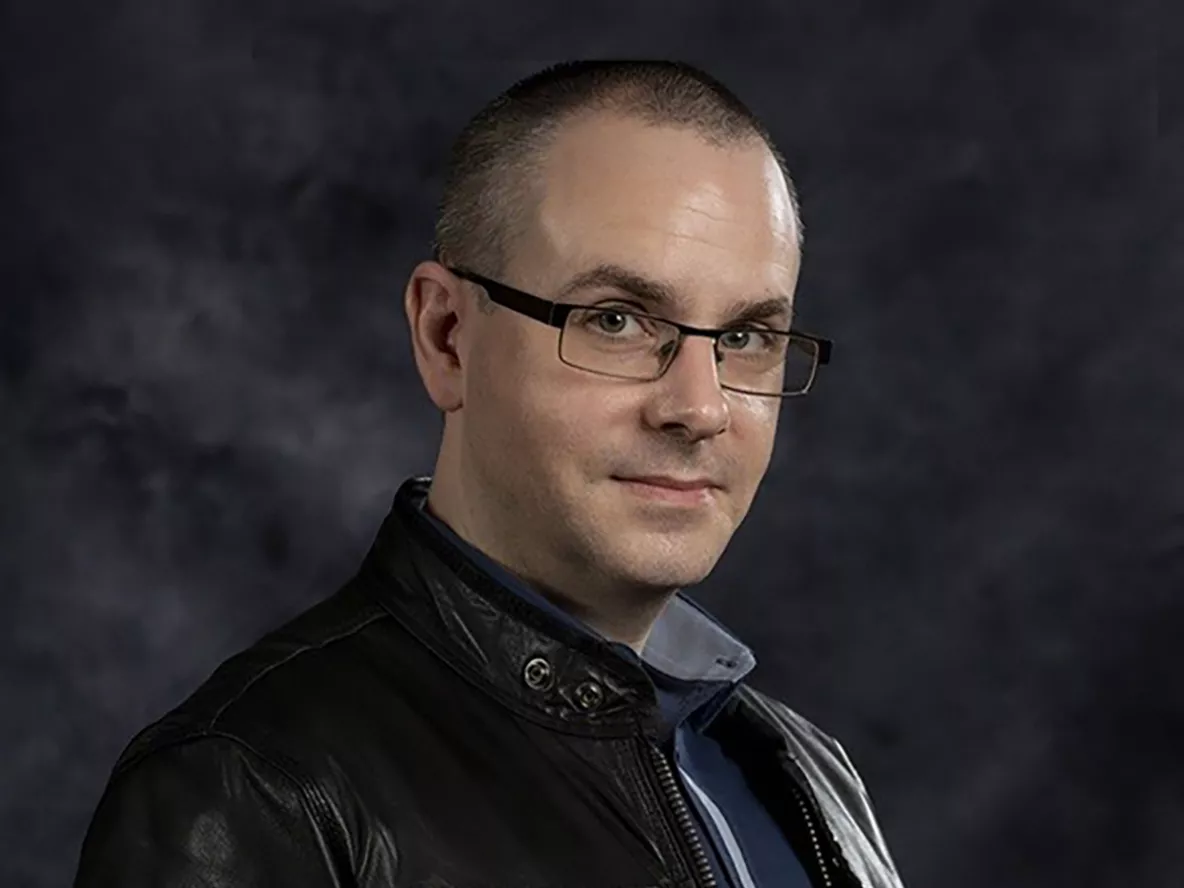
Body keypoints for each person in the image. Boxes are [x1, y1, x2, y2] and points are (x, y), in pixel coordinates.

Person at [73, 60, 906, 888]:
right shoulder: (254, 794)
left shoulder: (807, 776)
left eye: (746, 338)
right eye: (615, 320)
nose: (700, 408)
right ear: (446, 336)